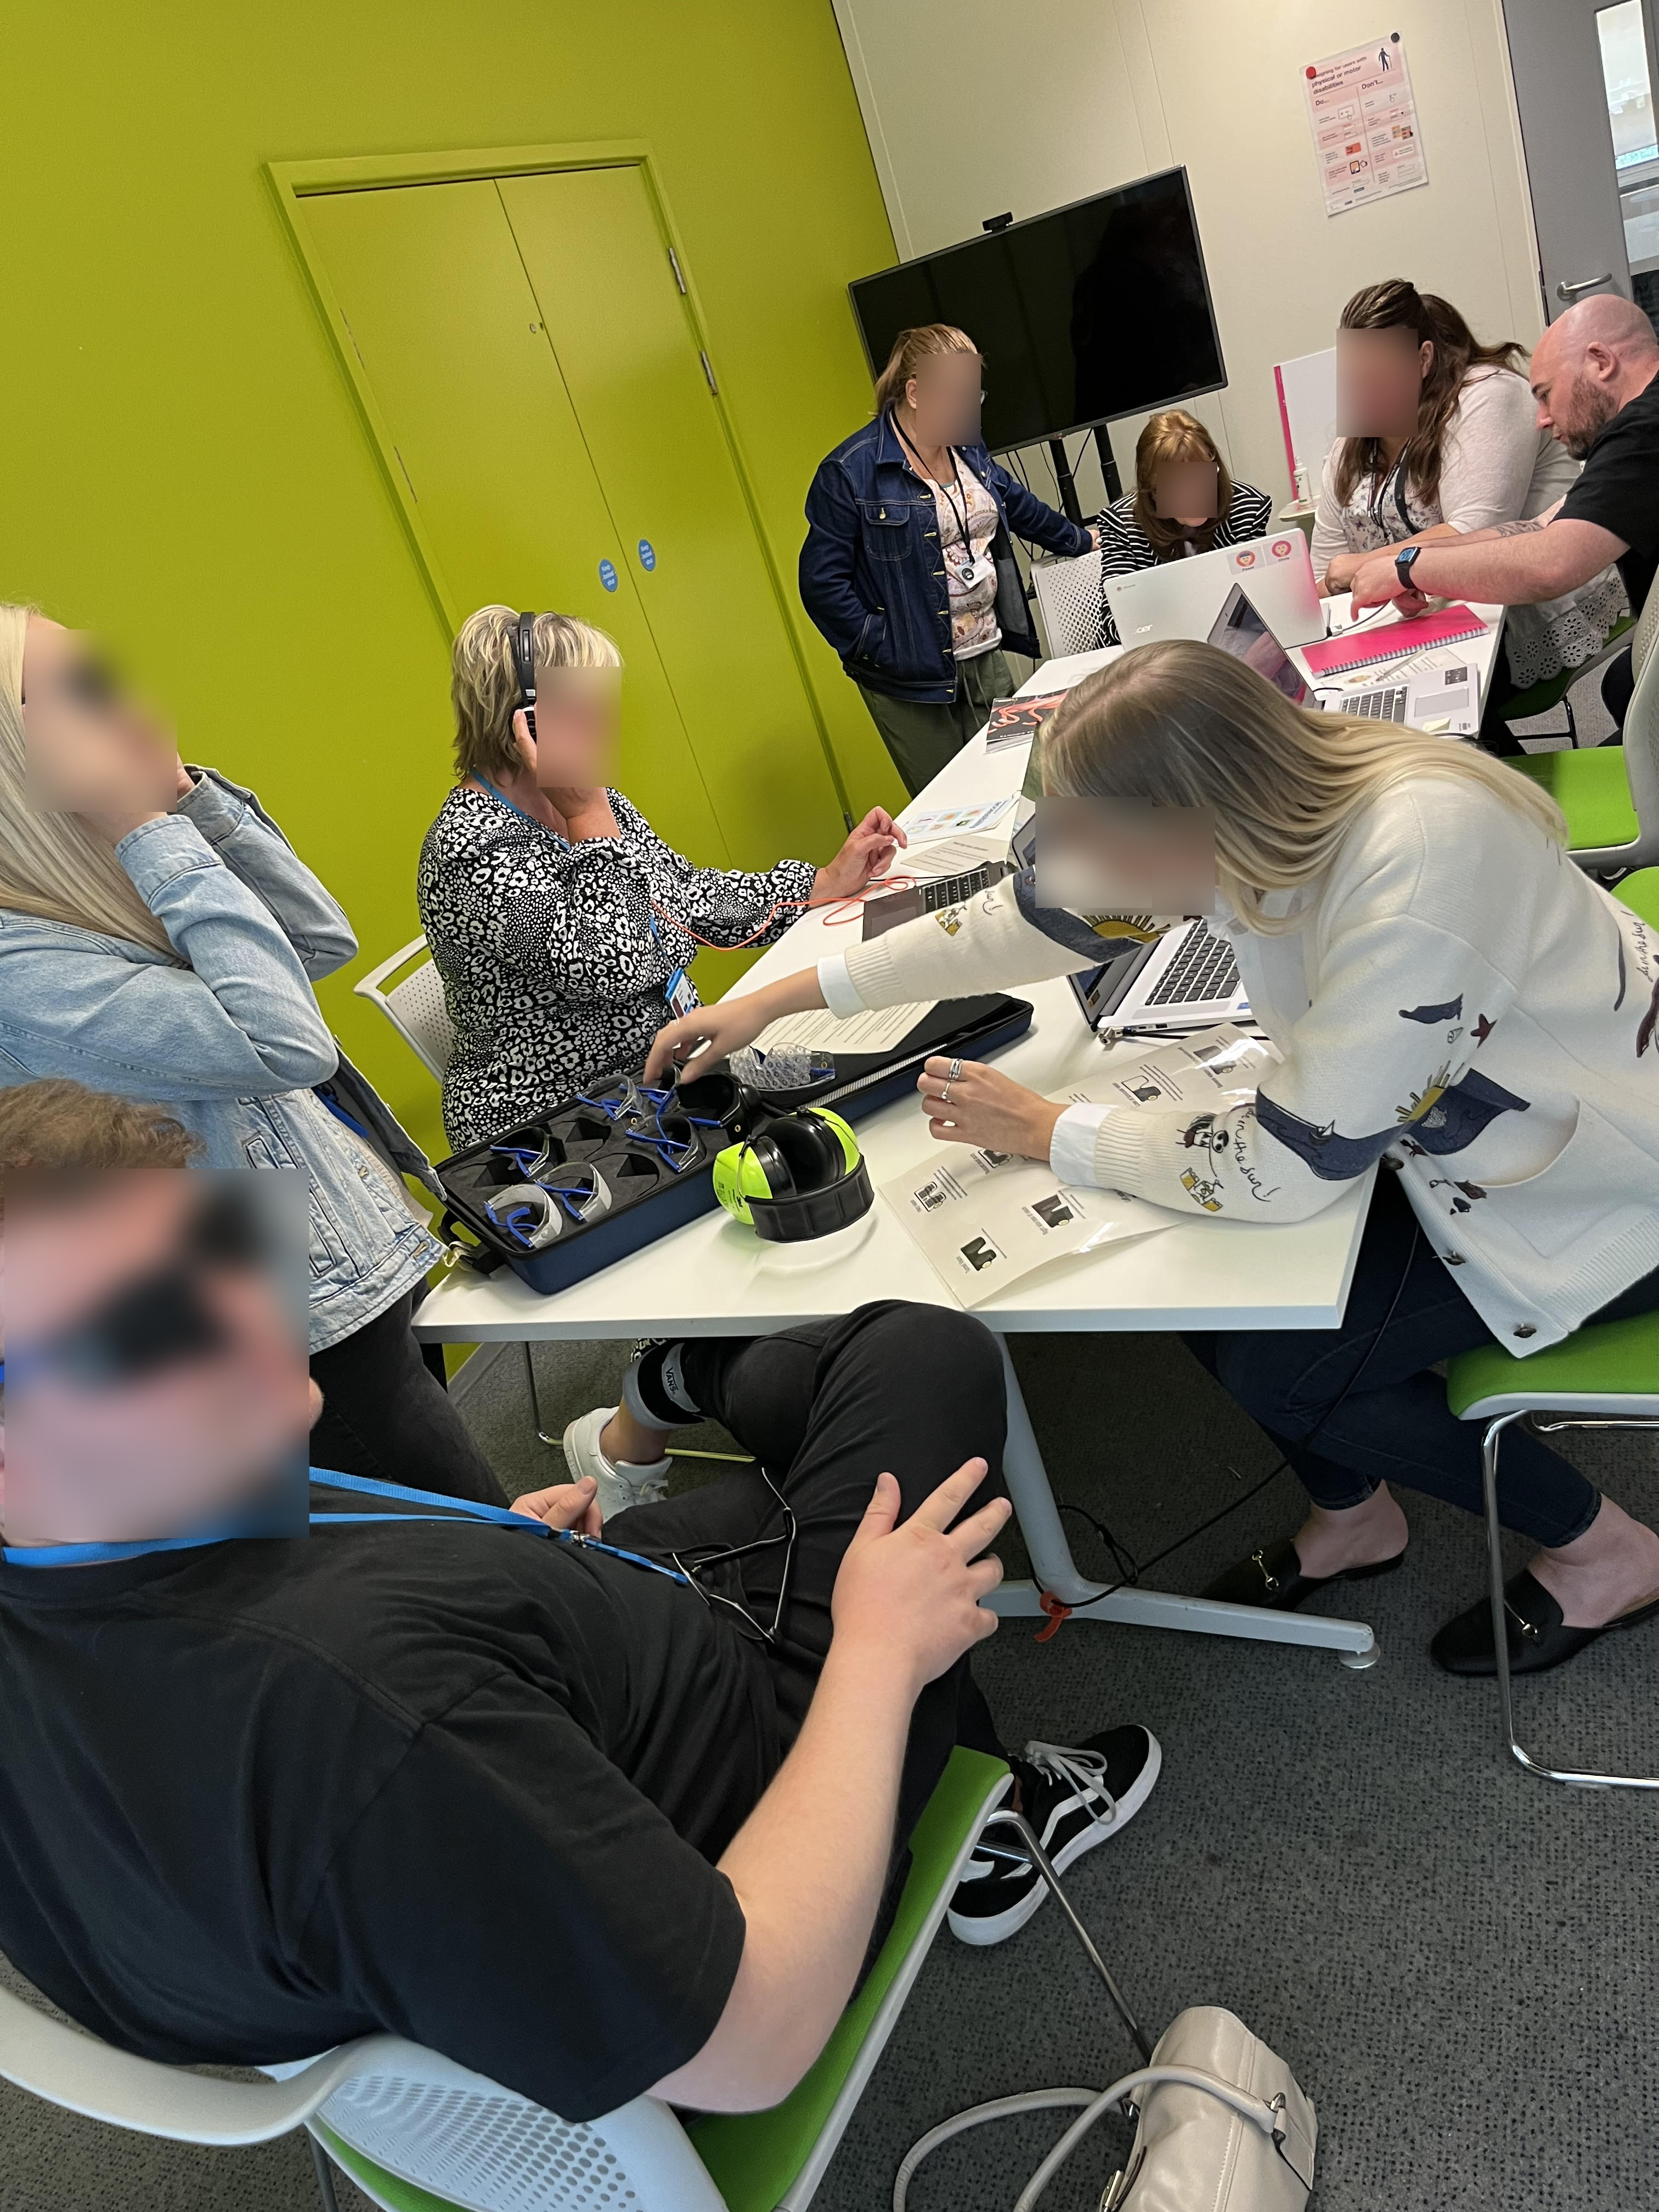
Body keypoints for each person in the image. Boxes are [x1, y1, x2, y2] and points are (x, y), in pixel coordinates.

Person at [0, 1131, 1160, 2119]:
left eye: (223, 1239)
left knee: (858, 1396)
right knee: (925, 1353)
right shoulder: (368, 1722)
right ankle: (992, 1808)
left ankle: (685, 1393)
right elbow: (751, 2043)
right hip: (756, 1778)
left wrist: (484, 1564)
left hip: (590, 1694)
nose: (249, 1307)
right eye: (145, 1323)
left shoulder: (104, 1560)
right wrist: (876, 1656)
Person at [647, 640, 1659, 1679]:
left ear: (1189, 816)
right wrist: (777, 997)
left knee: (1281, 1361)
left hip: (1600, 1189)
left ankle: (1604, 1549)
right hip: (1461, 1136)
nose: (1080, 863)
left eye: (1099, 834)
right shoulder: (1272, 797)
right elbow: (1014, 920)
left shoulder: (1410, 874)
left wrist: (1050, 1131)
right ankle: (1352, 1512)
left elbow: (1282, 1170)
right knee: (1198, 1277)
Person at [0, 603, 501, 1505]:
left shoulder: (101, 882)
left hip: (338, 1268)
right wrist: (142, 825)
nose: (125, 699)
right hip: (276, 1331)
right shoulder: (19, 968)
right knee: (490, 1558)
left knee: (452, 1548)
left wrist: (183, 797)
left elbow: (314, 941)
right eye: (86, 689)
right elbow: (285, 1041)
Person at [417, 606, 902, 1152]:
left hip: (674, 1074)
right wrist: (588, 821)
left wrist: (817, 884)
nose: (607, 723)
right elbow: (612, 966)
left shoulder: (594, 804)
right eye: (587, 707)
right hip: (572, 1129)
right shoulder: (472, 848)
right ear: (528, 723)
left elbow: (684, 894)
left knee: (875, 1076)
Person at [1312, 280, 1627, 742]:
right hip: (1418, 617)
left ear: (1422, 360)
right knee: (1358, 712)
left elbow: (1476, 529)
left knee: (1410, 724)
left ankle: (1491, 792)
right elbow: (1327, 570)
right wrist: (1367, 576)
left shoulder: (1488, 394)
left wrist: (1368, 566)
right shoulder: (1352, 444)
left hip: (1513, 608)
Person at [800, 324, 1099, 797]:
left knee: (1037, 785)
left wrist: (1081, 540)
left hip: (986, 655)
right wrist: (883, 644)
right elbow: (821, 586)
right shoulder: (850, 473)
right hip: (909, 682)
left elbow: (1016, 504)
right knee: (960, 809)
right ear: (915, 393)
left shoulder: (967, 448)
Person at [1093, 410, 1272, 647]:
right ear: (1153, 491)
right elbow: (1114, 624)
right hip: (1156, 653)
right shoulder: (1123, 525)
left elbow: (1262, 602)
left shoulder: (1247, 508)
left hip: (1232, 645)